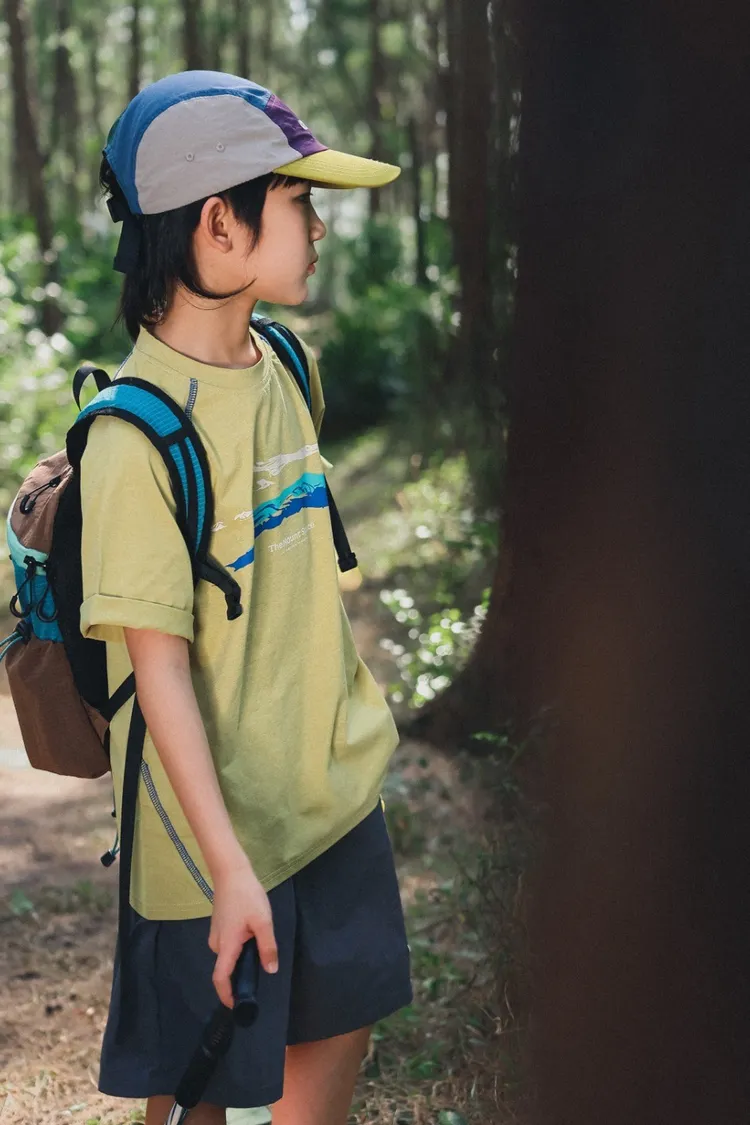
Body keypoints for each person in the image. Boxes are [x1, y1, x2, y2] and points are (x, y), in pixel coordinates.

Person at [81, 71, 412, 1125]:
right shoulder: (134, 441)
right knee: (198, 1098)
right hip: (208, 849)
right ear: (219, 225)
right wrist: (228, 869)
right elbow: (160, 674)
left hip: (334, 807)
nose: (318, 227)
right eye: (299, 201)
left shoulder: (285, 363)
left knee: (330, 1060)